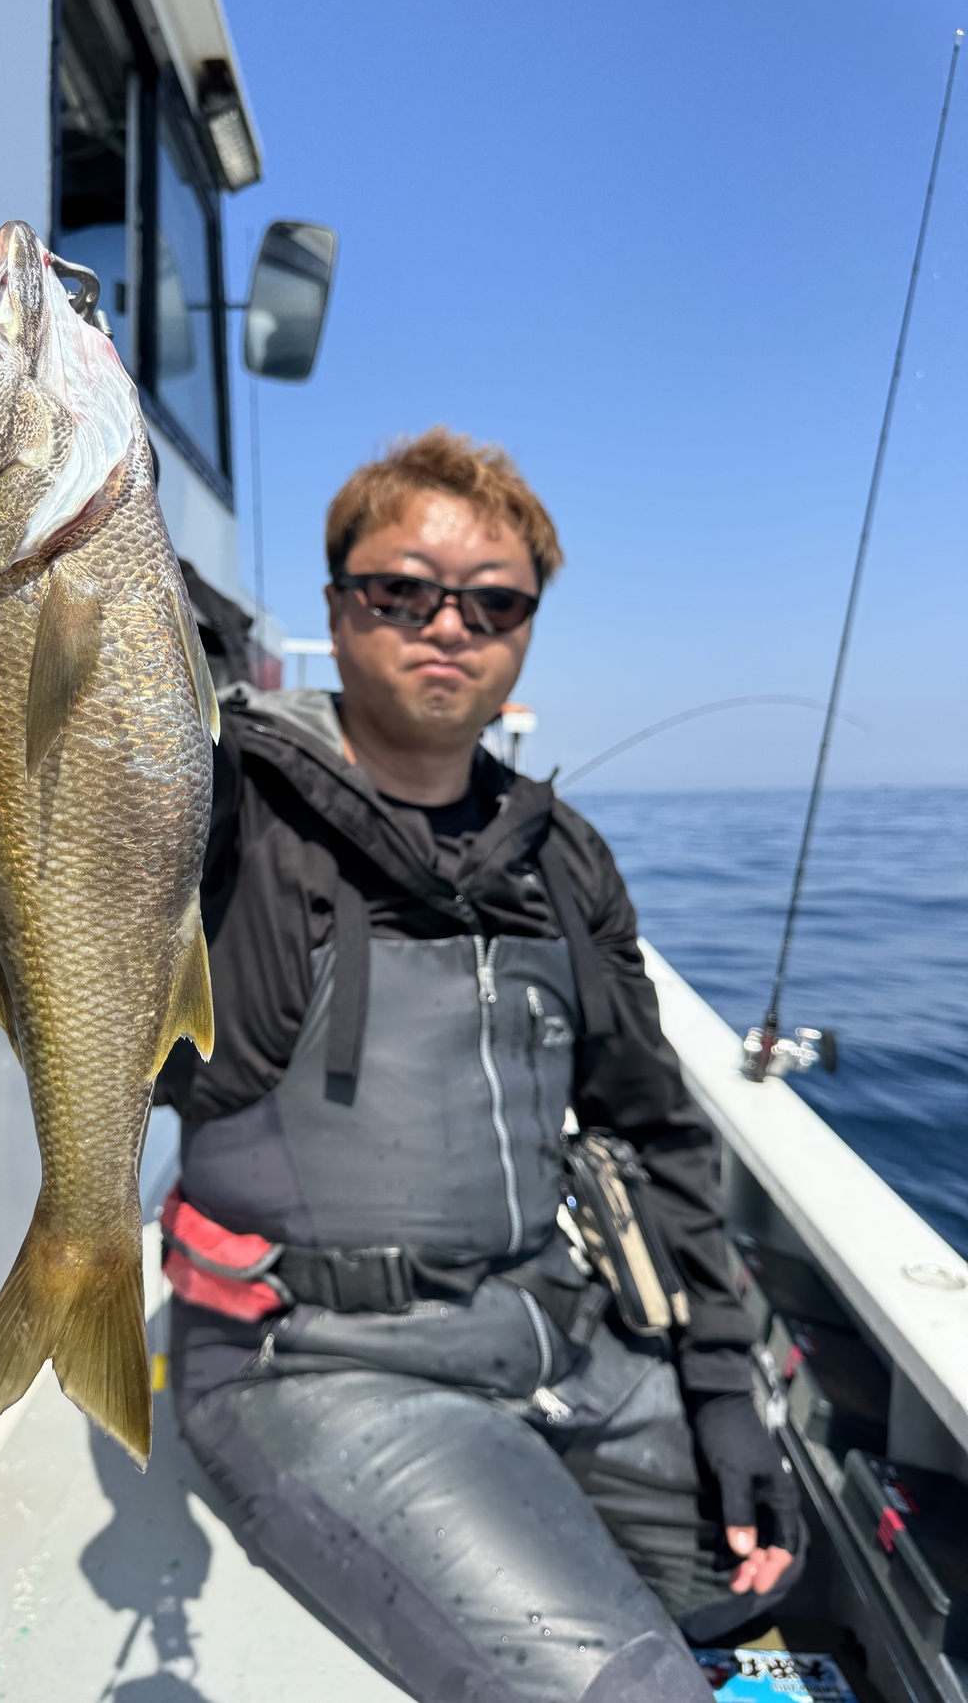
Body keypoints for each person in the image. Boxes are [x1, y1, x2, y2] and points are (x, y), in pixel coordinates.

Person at [157, 428, 803, 1703]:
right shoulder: (231, 808)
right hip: (318, 1362)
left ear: (524, 629)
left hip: (542, 1331)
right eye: (400, 590)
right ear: (335, 604)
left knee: (761, 1574)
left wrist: (722, 1384)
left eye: (492, 602)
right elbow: (83, 672)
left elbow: (654, 1130)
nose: (447, 624)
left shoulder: (560, 857)